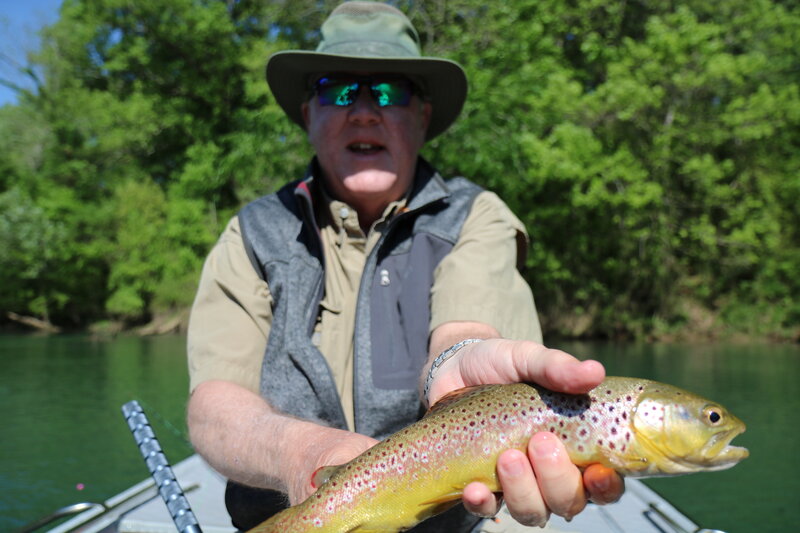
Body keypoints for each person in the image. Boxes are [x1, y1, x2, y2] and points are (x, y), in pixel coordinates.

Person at [186, 1, 624, 531]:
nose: (364, 110)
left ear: (421, 117)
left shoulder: (476, 217)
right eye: (337, 90)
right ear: (308, 115)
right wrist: (305, 455)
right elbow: (214, 407)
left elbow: (465, 331)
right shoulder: (252, 234)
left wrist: (460, 360)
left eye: (390, 92)